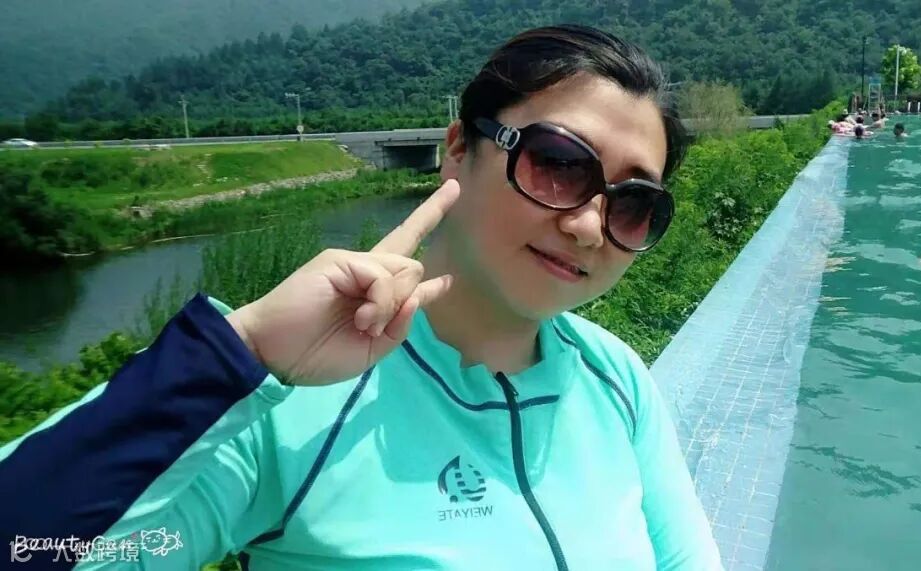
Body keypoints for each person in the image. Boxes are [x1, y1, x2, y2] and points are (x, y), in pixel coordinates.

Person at [0, 25, 722, 570]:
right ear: (459, 149)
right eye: (560, 163)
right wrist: (240, 355)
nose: (589, 225)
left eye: (634, 203)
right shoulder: (289, 401)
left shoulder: (615, 379)